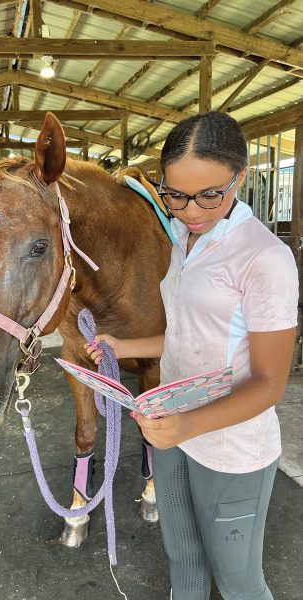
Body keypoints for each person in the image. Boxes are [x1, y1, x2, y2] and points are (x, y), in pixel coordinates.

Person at [85, 111, 299, 600]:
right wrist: (124, 346)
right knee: (183, 559)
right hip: (172, 426)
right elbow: (188, 333)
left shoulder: (263, 257)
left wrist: (184, 427)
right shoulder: (184, 238)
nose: (192, 209)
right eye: (175, 195)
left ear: (239, 177)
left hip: (230, 445)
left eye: (209, 194)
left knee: (239, 581)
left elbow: (269, 382)